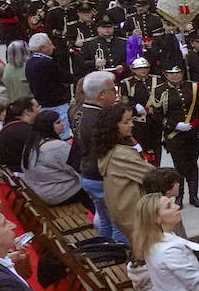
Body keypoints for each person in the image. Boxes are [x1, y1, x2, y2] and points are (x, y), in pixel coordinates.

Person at [69, 71, 120, 239]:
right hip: (102, 176)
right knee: (119, 224)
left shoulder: (77, 110)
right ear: (102, 95)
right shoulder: (101, 119)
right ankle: (121, 257)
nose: (116, 93)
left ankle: (107, 248)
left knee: (105, 220)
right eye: (113, 90)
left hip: (87, 173)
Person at [94, 103, 149, 243]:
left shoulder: (110, 147)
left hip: (123, 212)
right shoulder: (121, 155)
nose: (132, 125)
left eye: (131, 120)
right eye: (126, 122)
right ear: (113, 126)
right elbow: (150, 175)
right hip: (135, 215)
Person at [154, 64, 199, 207]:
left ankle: (194, 196)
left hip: (192, 133)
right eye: (171, 73)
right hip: (174, 135)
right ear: (166, 74)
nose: (175, 76)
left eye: (178, 73)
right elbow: (156, 114)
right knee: (179, 167)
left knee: (193, 165)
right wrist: (174, 125)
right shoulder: (160, 91)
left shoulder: (192, 87)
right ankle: (179, 196)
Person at [20, 110, 84, 206]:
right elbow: (77, 168)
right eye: (58, 122)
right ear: (47, 126)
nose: (62, 124)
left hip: (41, 190)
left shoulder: (31, 144)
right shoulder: (57, 147)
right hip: (60, 193)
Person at [24, 33, 71, 138]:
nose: (53, 47)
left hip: (42, 103)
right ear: (43, 48)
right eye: (50, 44)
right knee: (63, 133)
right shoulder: (47, 63)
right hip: (57, 104)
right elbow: (65, 77)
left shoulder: (30, 62)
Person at [0, 96, 40, 173]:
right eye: (37, 107)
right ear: (27, 111)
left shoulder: (8, 127)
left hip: (12, 172)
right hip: (25, 174)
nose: (39, 110)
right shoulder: (26, 131)